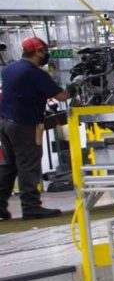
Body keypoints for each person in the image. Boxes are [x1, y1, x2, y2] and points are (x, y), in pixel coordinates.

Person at [0, 37, 69, 219]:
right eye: (45, 52)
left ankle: (0, 205)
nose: (46, 55)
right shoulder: (34, 73)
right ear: (38, 51)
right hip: (23, 125)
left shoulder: (9, 69)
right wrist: (75, 87)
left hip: (5, 123)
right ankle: (31, 207)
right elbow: (61, 96)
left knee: (9, 166)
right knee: (28, 165)